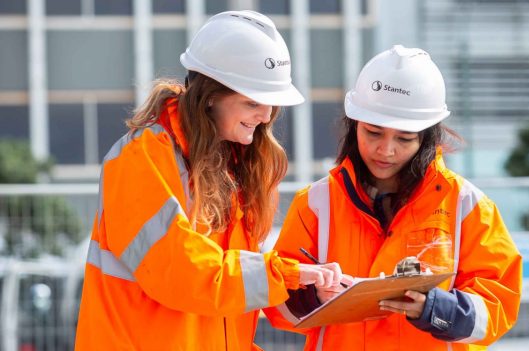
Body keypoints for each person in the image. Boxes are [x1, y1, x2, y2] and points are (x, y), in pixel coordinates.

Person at [75, 10, 343, 351]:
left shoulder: (232, 165)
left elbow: (227, 302)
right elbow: (184, 273)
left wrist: (308, 287)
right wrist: (283, 273)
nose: (265, 116)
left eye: (271, 104)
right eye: (253, 102)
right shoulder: (140, 159)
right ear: (212, 94)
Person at [264, 45, 522, 350]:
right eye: (373, 133)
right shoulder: (316, 203)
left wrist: (435, 309)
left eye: (404, 138)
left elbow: (499, 305)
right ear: (353, 125)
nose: (386, 150)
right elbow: (277, 303)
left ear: (427, 137)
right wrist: (314, 295)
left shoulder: (466, 205)